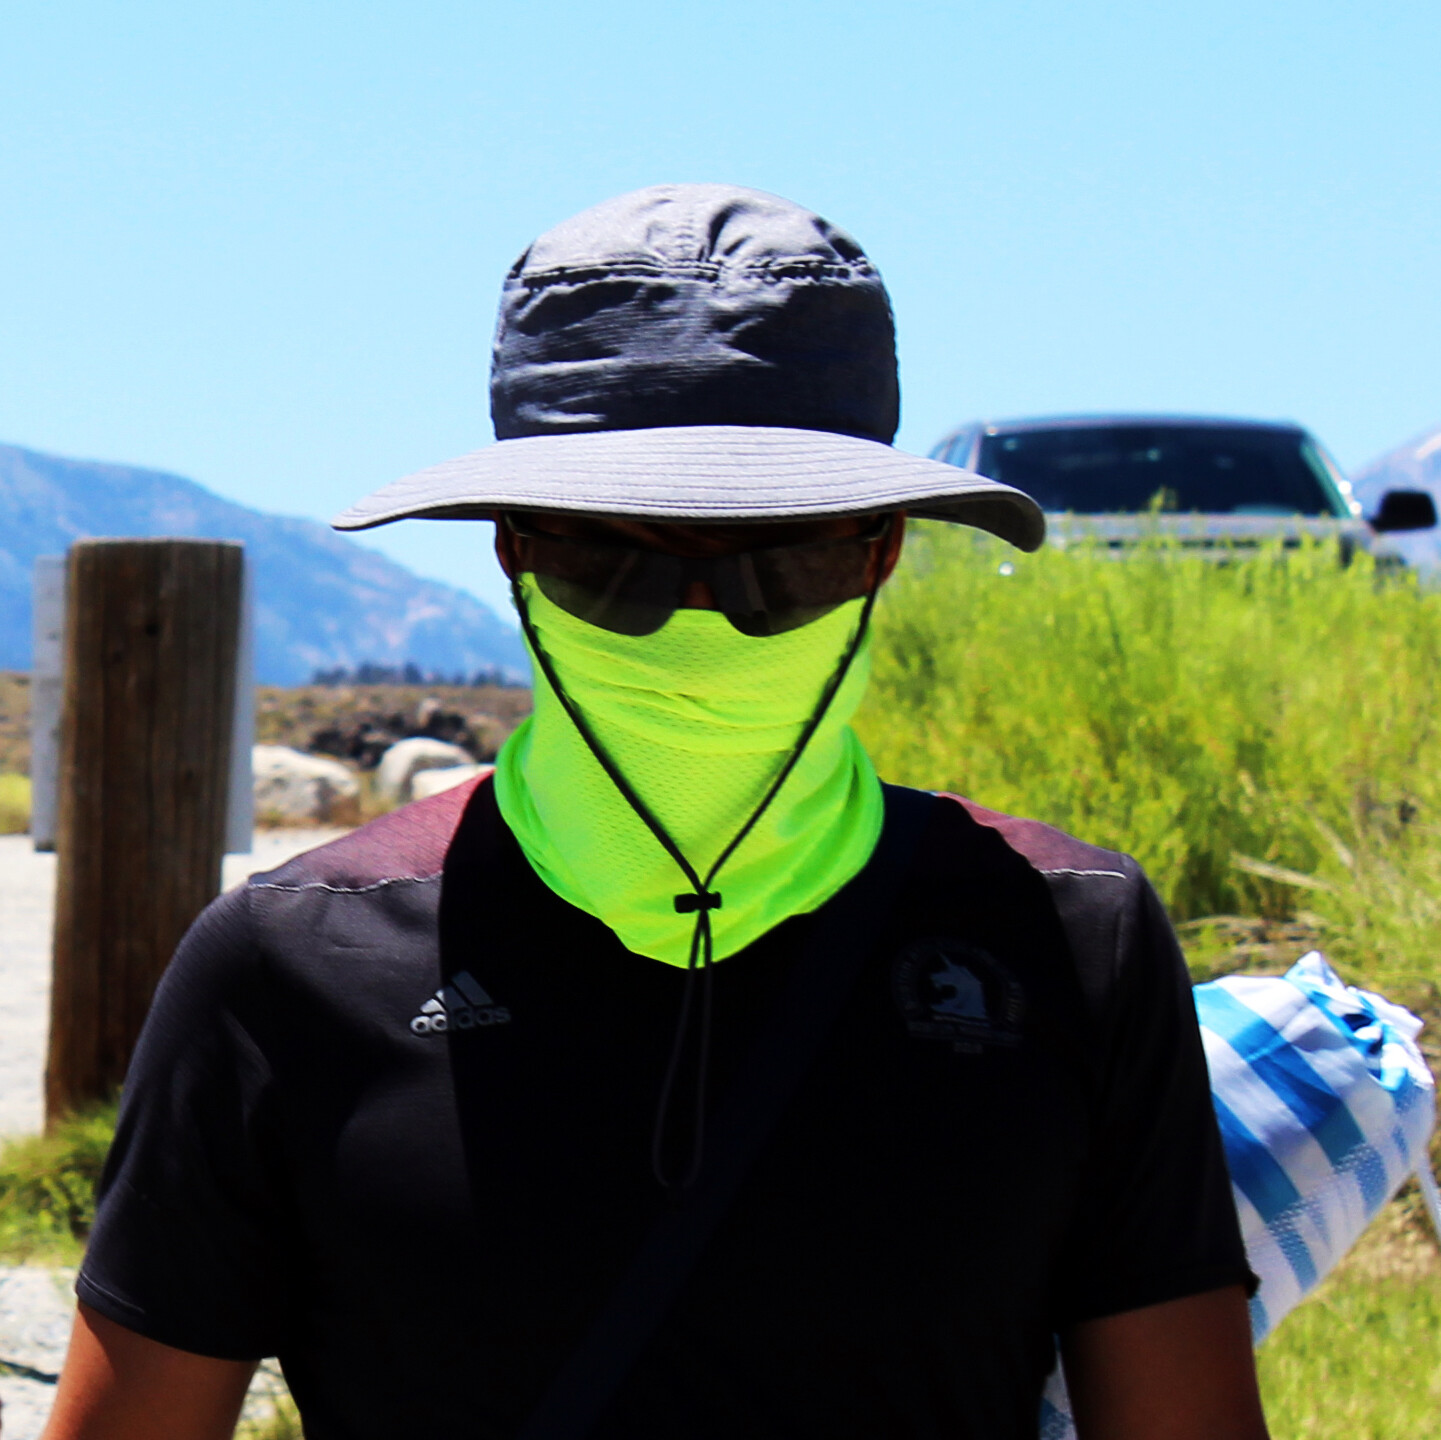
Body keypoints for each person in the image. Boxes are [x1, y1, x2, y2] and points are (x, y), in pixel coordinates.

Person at [43, 184, 1269, 1440]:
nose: (696, 619)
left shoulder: (1067, 939)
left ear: (881, 551)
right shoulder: (293, 965)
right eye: (611, 558)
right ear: (511, 548)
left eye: (777, 559)